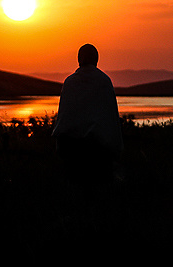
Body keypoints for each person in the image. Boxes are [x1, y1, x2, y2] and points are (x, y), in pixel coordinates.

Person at [52, 44, 123, 196]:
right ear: (96, 60)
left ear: (79, 59)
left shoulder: (70, 82)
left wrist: (60, 144)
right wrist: (115, 147)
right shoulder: (104, 81)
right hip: (98, 150)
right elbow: (110, 118)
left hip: (73, 149)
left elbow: (64, 118)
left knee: (77, 192)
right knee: (96, 193)